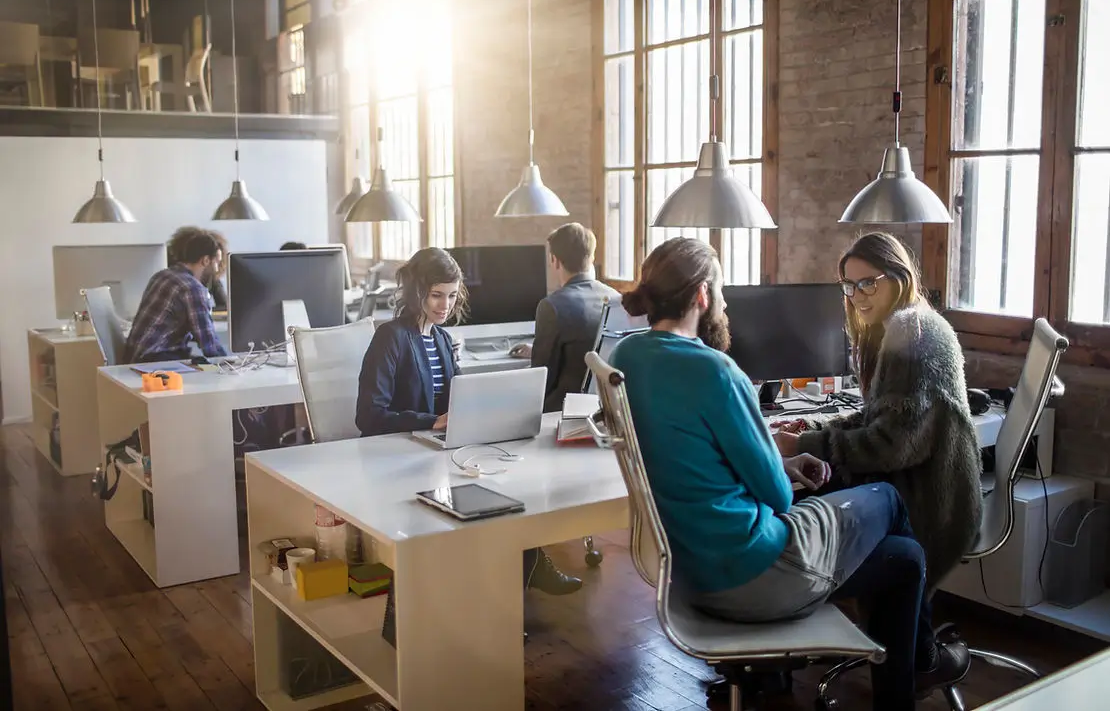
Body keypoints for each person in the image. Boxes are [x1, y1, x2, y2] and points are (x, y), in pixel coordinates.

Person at [608, 237, 969, 710]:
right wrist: (783, 461)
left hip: (683, 575)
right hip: (750, 577)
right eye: (720, 290)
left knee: (902, 555)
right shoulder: (716, 371)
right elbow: (778, 496)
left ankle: (770, 677)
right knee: (889, 506)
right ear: (702, 296)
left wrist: (787, 453)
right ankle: (911, 673)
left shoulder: (625, 358)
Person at [355, 247, 582, 596]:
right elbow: (369, 415)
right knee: (489, 499)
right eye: (435, 295)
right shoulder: (391, 338)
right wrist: (433, 421)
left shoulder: (443, 340)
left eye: (450, 295)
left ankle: (523, 571)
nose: (444, 305)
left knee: (507, 490)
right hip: (399, 456)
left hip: (438, 450)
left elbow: (462, 398)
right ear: (417, 292)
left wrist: (486, 409)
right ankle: (513, 583)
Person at [773, 232, 982, 591]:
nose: (857, 297)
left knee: (791, 511)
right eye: (849, 286)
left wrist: (799, 445)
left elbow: (892, 445)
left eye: (868, 283)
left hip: (932, 505)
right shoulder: (900, 325)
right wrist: (809, 425)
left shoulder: (912, 332)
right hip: (919, 491)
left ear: (899, 277)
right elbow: (881, 418)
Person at [510, 223, 621, 412]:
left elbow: (541, 377)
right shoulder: (617, 299)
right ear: (592, 257)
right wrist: (538, 349)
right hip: (609, 408)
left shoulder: (552, 306)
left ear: (555, 260)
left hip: (564, 412)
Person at [124, 230, 229, 364]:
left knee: (201, 363)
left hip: (137, 356)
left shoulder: (163, 275)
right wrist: (230, 363)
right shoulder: (192, 288)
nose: (217, 269)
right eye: (217, 262)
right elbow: (208, 343)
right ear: (206, 260)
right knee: (214, 373)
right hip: (154, 360)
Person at [167, 226, 228, 310]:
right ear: (205, 260)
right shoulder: (190, 286)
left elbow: (225, 305)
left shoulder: (161, 276)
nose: (216, 268)